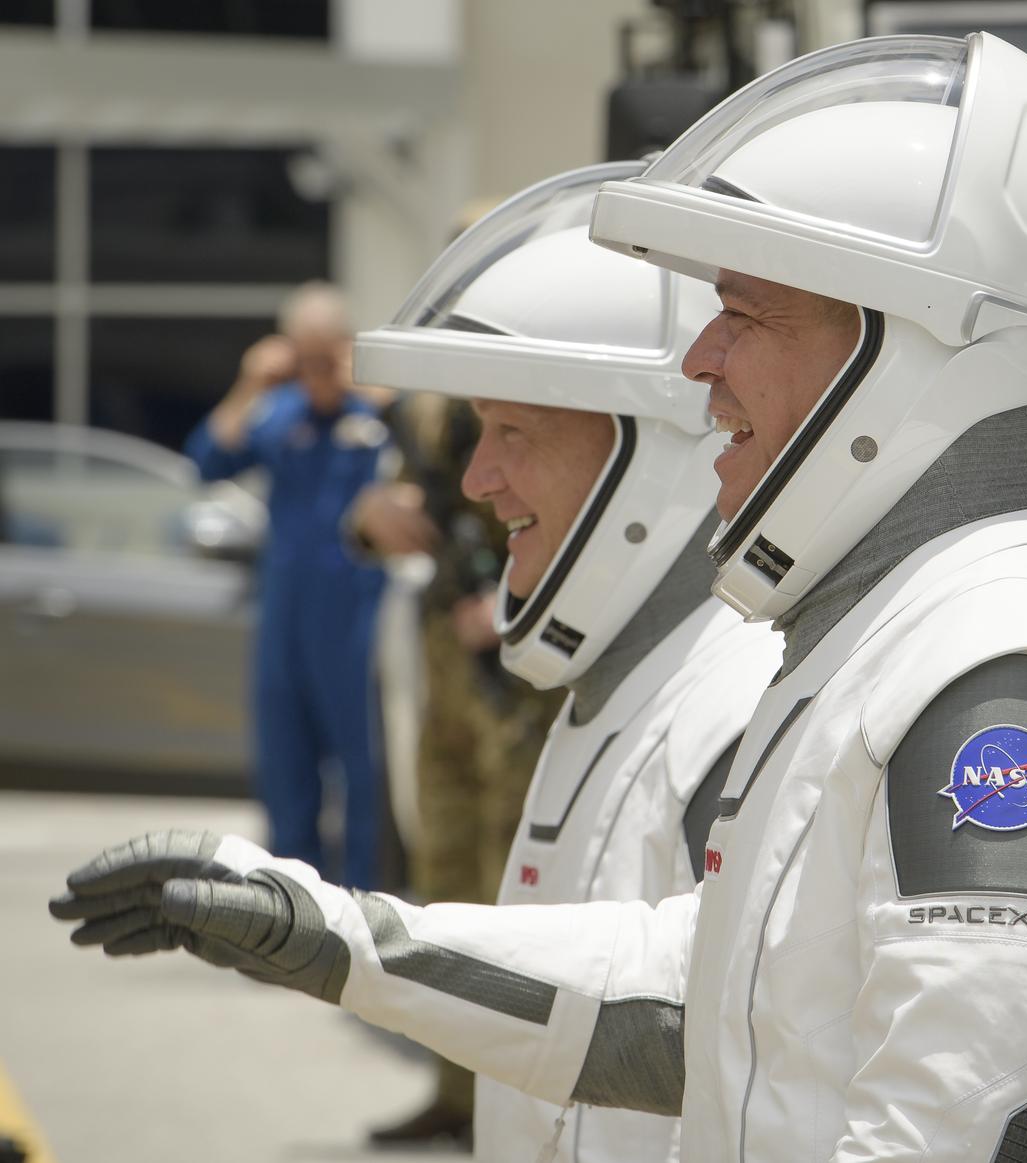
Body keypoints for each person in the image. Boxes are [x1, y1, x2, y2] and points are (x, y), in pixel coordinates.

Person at [50, 34, 1027, 1161]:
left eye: (746, 311)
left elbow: (955, 1125)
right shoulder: (919, 633)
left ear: (908, 346)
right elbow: (723, 992)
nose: (696, 361)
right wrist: (332, 932)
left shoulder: (1012, 666)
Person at [54, 162, 781, 1163]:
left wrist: (339, 939)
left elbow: (687, 1007)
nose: (480, 473)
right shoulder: (622, 692)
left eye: (514, 429)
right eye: (481, 429)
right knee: (445, 850)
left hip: (472, 656)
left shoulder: (732, 709)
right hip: (421, 645)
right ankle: (451, 1087)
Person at [352, 393, 561, 1147]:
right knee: (445, 888)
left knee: (514, 897)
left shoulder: (533, 392)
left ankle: (511, 1105)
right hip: (448, 683)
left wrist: (520, 604)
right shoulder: (431, 414)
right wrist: (375, 513)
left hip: (521, 690)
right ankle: (457, 1088)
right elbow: (397, 503)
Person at [183, 282, 390, 890]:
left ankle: (362, 896)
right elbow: (205, 460)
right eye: (305, 360)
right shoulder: (278, 413)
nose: (316, 374)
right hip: (285, 616)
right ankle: (289, 896)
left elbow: (424, 461)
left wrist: (373, 390)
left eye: (326, 358)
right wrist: (251, 383)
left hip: (353, 618)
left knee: (360, 767)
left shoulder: (372, 415)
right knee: (284, 759)